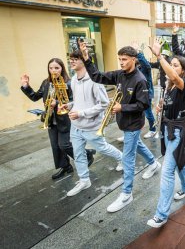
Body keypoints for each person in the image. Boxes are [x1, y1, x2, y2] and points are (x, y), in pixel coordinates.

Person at [82, 43, 161, 213]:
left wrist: (122, 108)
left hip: (133, 124)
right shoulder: (119, 74)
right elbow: (97, 77)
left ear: (133, 59)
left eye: (124, 59)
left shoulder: (140, 79)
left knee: (128, 159)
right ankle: (154, 164)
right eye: (119, 59)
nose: (121, 62)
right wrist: (87, 59)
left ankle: (126, 194)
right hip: (124, 122)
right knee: (137, 145)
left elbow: (144, 104)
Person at [146, 39, 185, 228]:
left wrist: (160, 56)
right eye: (171, 64)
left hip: (178, 132)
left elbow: (173, 77)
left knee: (167, 172)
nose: (172, 68)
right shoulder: (169, 86)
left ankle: (161, 214)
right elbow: (169, 102)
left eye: (175, 65)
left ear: (183, 70)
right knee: (178, 163)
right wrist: (161, 107)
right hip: (167, 130)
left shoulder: (183, 83)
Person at [21, 58, 95, 180]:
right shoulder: (46, 83)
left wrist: (58, 102)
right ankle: (66, 167)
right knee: (55, 146)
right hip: (50, 119)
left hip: (65, 119)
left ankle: (87, 155)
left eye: (56, 68)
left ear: (62, 68)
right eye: (51, 68)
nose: (53, 70)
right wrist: (26, 86)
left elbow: (75, 101)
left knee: (64, 145)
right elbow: (35, 97)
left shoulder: (70, 83)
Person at [65, 50, 123, 197]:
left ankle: (123, 159)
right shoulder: (73, 79)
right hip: (76, 125)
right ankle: (84, 180)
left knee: (103, 148)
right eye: (70, 59)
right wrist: (70, 106)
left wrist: (81, 113)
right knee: (78, 154)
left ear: (83, 61)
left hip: (91, 126)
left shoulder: (95, 81)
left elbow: (104, 104)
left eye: (75, 59)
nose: (71, 61)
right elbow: (79, 101)